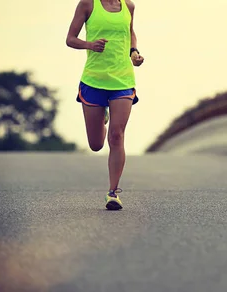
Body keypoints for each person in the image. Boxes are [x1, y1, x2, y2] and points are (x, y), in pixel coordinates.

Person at [66, 0, 144, 210]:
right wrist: (90, 45)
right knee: (96, 144)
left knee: (117, 136)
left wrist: (134, 52)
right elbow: (70, 39)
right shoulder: (88, 4)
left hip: (123, 81)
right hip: (94, 81)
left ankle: (113, 192)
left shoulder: (128, 6)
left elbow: (130, 32)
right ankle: (104, 115)